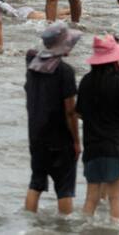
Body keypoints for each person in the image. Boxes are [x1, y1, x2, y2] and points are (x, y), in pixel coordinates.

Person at [76, 34, 119, 225]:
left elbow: (79, 113)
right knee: (115, 197)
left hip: (92, 146)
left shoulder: (86, 82)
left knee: (91, 197)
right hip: (116, 145)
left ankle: (84, 228)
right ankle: (117, 229)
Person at [24, 23, 81, 215]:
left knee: (36, 183)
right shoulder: (65, 72)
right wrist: (76, 141)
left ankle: (29, 224)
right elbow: (70, 111)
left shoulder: (32, 68)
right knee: (64, 188)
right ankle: (64, 228)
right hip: (59, 137)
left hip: (36, 135)